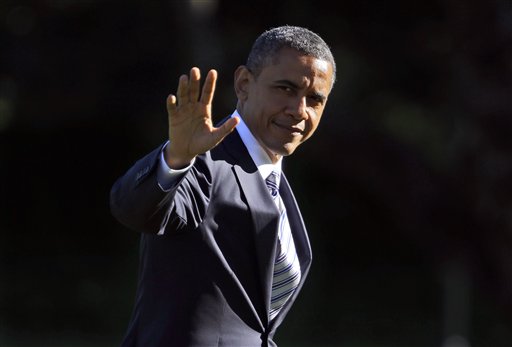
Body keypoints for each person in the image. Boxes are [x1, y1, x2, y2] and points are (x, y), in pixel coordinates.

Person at [110, 25, 336, 347]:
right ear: (244, 83)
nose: (299, 110)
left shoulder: (277, 184)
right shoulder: (205, 162)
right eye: (285, 89)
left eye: (314, 99)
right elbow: (132, 208)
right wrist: (175, 158)